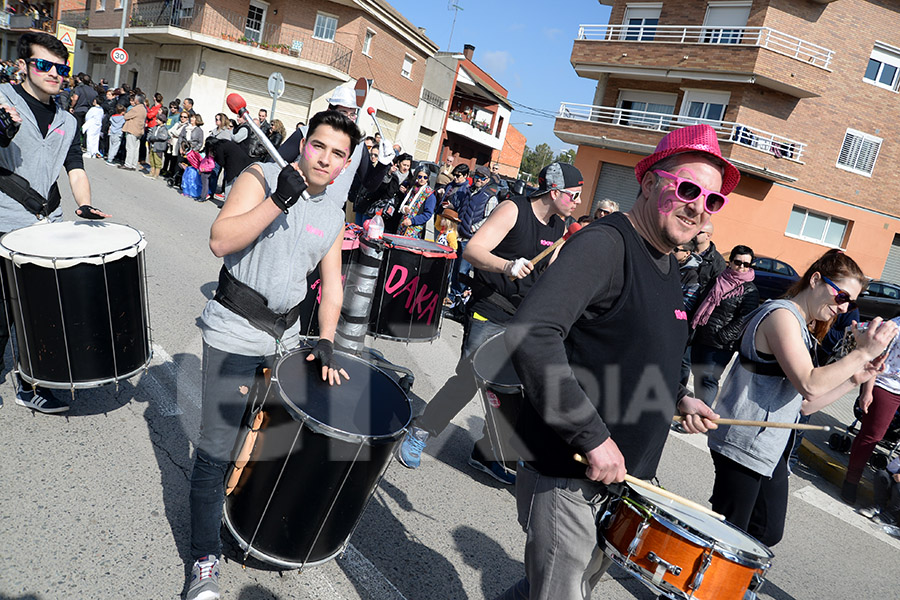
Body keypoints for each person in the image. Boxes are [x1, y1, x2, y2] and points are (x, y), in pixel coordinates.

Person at [495, 124, 732, 599]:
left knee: (561, 587)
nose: (697, 207)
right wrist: (593, 436)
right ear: (648, 184)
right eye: (687, 189)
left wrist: (678, 397)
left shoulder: (665, 259)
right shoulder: (606, 245)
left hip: (622, 482)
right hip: (574, 471)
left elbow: (628, 349)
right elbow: (532, 334)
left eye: (712, 200)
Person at [185, 110, 362, 600]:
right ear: (304, 143)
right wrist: (280, 198)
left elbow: (331, 285)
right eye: (319, 146)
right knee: (216, 448)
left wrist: (326, 338)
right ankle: (203, 558)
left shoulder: (333, 213)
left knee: (260, 441)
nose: (325, 159)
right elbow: (220, 241)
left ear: (346, 164)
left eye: (337, 154)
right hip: (235, 332)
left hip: (284, 343)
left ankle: (240, 519)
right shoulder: (261, 176)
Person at [398, 162, 584, 485]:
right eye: (575, 195)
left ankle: (485, 452)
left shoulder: (557, 226)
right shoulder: (514, 210)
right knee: (468, 380)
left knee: (514, 390)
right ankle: (420, 430)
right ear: (555, 192)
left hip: (523, 318)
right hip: (492, 308)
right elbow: (472, 249)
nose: (579, 202)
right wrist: (508, 266)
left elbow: (548, 274)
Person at [707, 249, 897, 547]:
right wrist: (862, 352)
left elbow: (805, 403)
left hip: (771, 447)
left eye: (852, 302)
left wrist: (853, 379)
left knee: (767, 531)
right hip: (743, 443)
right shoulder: (781, 316)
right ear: (816, 280)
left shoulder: (803, 327)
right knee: (727, 539)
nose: (844, 308)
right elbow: (810, 383)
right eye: (842, 296)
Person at [0, 32, 108, 414]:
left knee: (38, 314)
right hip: (3, 222)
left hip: (45, 229)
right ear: (24, 65)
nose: (54, 73)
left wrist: (86, 204)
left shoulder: (67, 119)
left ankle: (32, 385)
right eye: (44, 65)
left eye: (61, 68)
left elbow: (74, 167)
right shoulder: (3, 99)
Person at [689, 244, 759, 406]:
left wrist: (722, 336)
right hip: (701, 337)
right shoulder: (718, 279)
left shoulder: (749, 290)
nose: (741, 267)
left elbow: (744, 318)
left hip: (720, 345)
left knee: (709, 379)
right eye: (738, 262)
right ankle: (697, 410)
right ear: (730, 261)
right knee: (699, 376)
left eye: (746, 264)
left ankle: (701, 415)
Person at [841, 314, 900, 505]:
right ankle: (851, 482)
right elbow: (873, 360)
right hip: (885, 383)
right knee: (872, 434)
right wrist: (867, 392)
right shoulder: (893, 328)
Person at [444, 165, 497, 310]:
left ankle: (461, 302)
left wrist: (474, 228)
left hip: (472, 239)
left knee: (463, 271)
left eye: (482, 177)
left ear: (487, 180)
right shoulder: (467, 191)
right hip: (458, 236)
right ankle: (453, 299)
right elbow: (458, 207)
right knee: (454, 270)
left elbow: (491, 218)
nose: (479, 179)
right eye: (477, 176)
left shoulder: (489, 197)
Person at [395, 166, 436, 238]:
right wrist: (405, 208)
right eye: (420, 177)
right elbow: (406, 202)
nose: (422, 179)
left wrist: (412, 221)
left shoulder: (430, 194)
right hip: (404, 224)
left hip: (415, 228)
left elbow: (428, 214)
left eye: (425, 177)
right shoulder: (413, 189)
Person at [120, 93, 146, 171]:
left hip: (132, 129)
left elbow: (126, 116)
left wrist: (126, 114)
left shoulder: (135, 109)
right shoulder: (144, 109)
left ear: (137, 100)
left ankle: (128, 164)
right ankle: (133, 164)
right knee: (135, 148)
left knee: (130, 147)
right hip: (139, 130)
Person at [69, 72, 96, 148]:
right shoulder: (93, 91)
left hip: (79, 109)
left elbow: (75, 98)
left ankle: (76, 142)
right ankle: (84, 144)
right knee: (87, 128)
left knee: (77, 127)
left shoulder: (79, 89)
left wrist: (72, 106)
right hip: (89, 111)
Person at [162, 109, 188, 178]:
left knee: (175, 159)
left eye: (185, 117)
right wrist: (173, 134)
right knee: (169, 157)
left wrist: (174, 133)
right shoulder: (177, 123)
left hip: (178, 144)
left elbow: (178, 133)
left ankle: (172, 173)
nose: (182, 118)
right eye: (181, 116)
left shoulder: (186, 126)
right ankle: (168, 171)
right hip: (172, 142)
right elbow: (170, 131)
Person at [145, 112, 168, 180]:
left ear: (162, 121)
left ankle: (156, 174)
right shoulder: (155, 127)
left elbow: (163, 137)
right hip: (152, 145)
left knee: (157, 160)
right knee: (152, 159)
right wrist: (150, 138)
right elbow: (150, 133)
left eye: (158, 120)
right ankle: (151, 172)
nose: (156, 121)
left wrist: (154, 138)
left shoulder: (164, 129)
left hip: (158, 147)